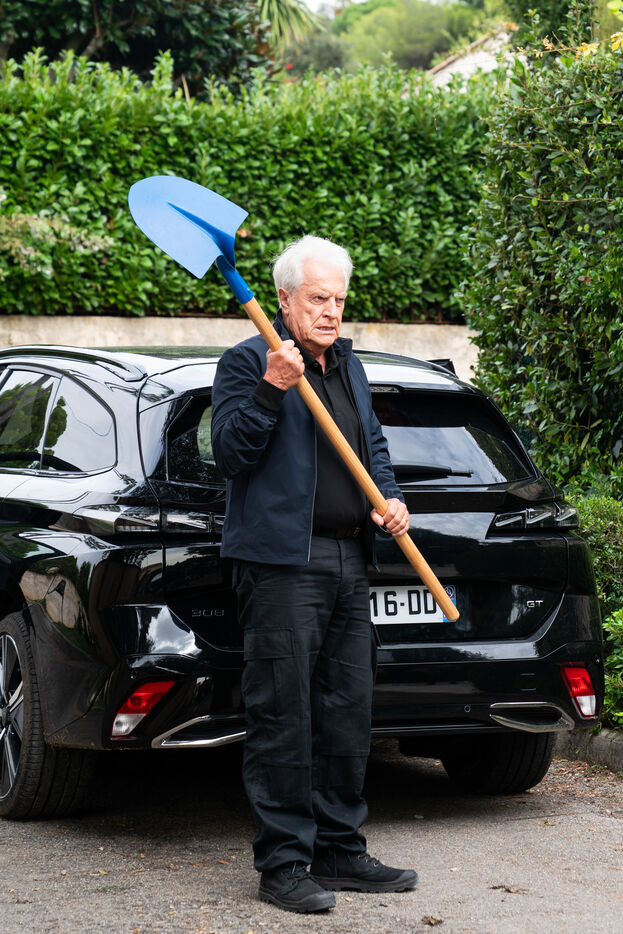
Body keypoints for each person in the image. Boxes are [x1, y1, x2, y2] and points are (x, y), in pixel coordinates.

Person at [211, 235, 418, 914]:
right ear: (283, 299)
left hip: (350, 557)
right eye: (318, 299)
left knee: (346, 712)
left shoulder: (347, 366)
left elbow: (371, 447)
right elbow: (230, 454)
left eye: (338, 300)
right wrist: (272, 388)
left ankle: (338, 848)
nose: (331, 311)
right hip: (281, 566)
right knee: (283, 714)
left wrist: (389, 498)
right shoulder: (248, 362)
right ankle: (283, 865)